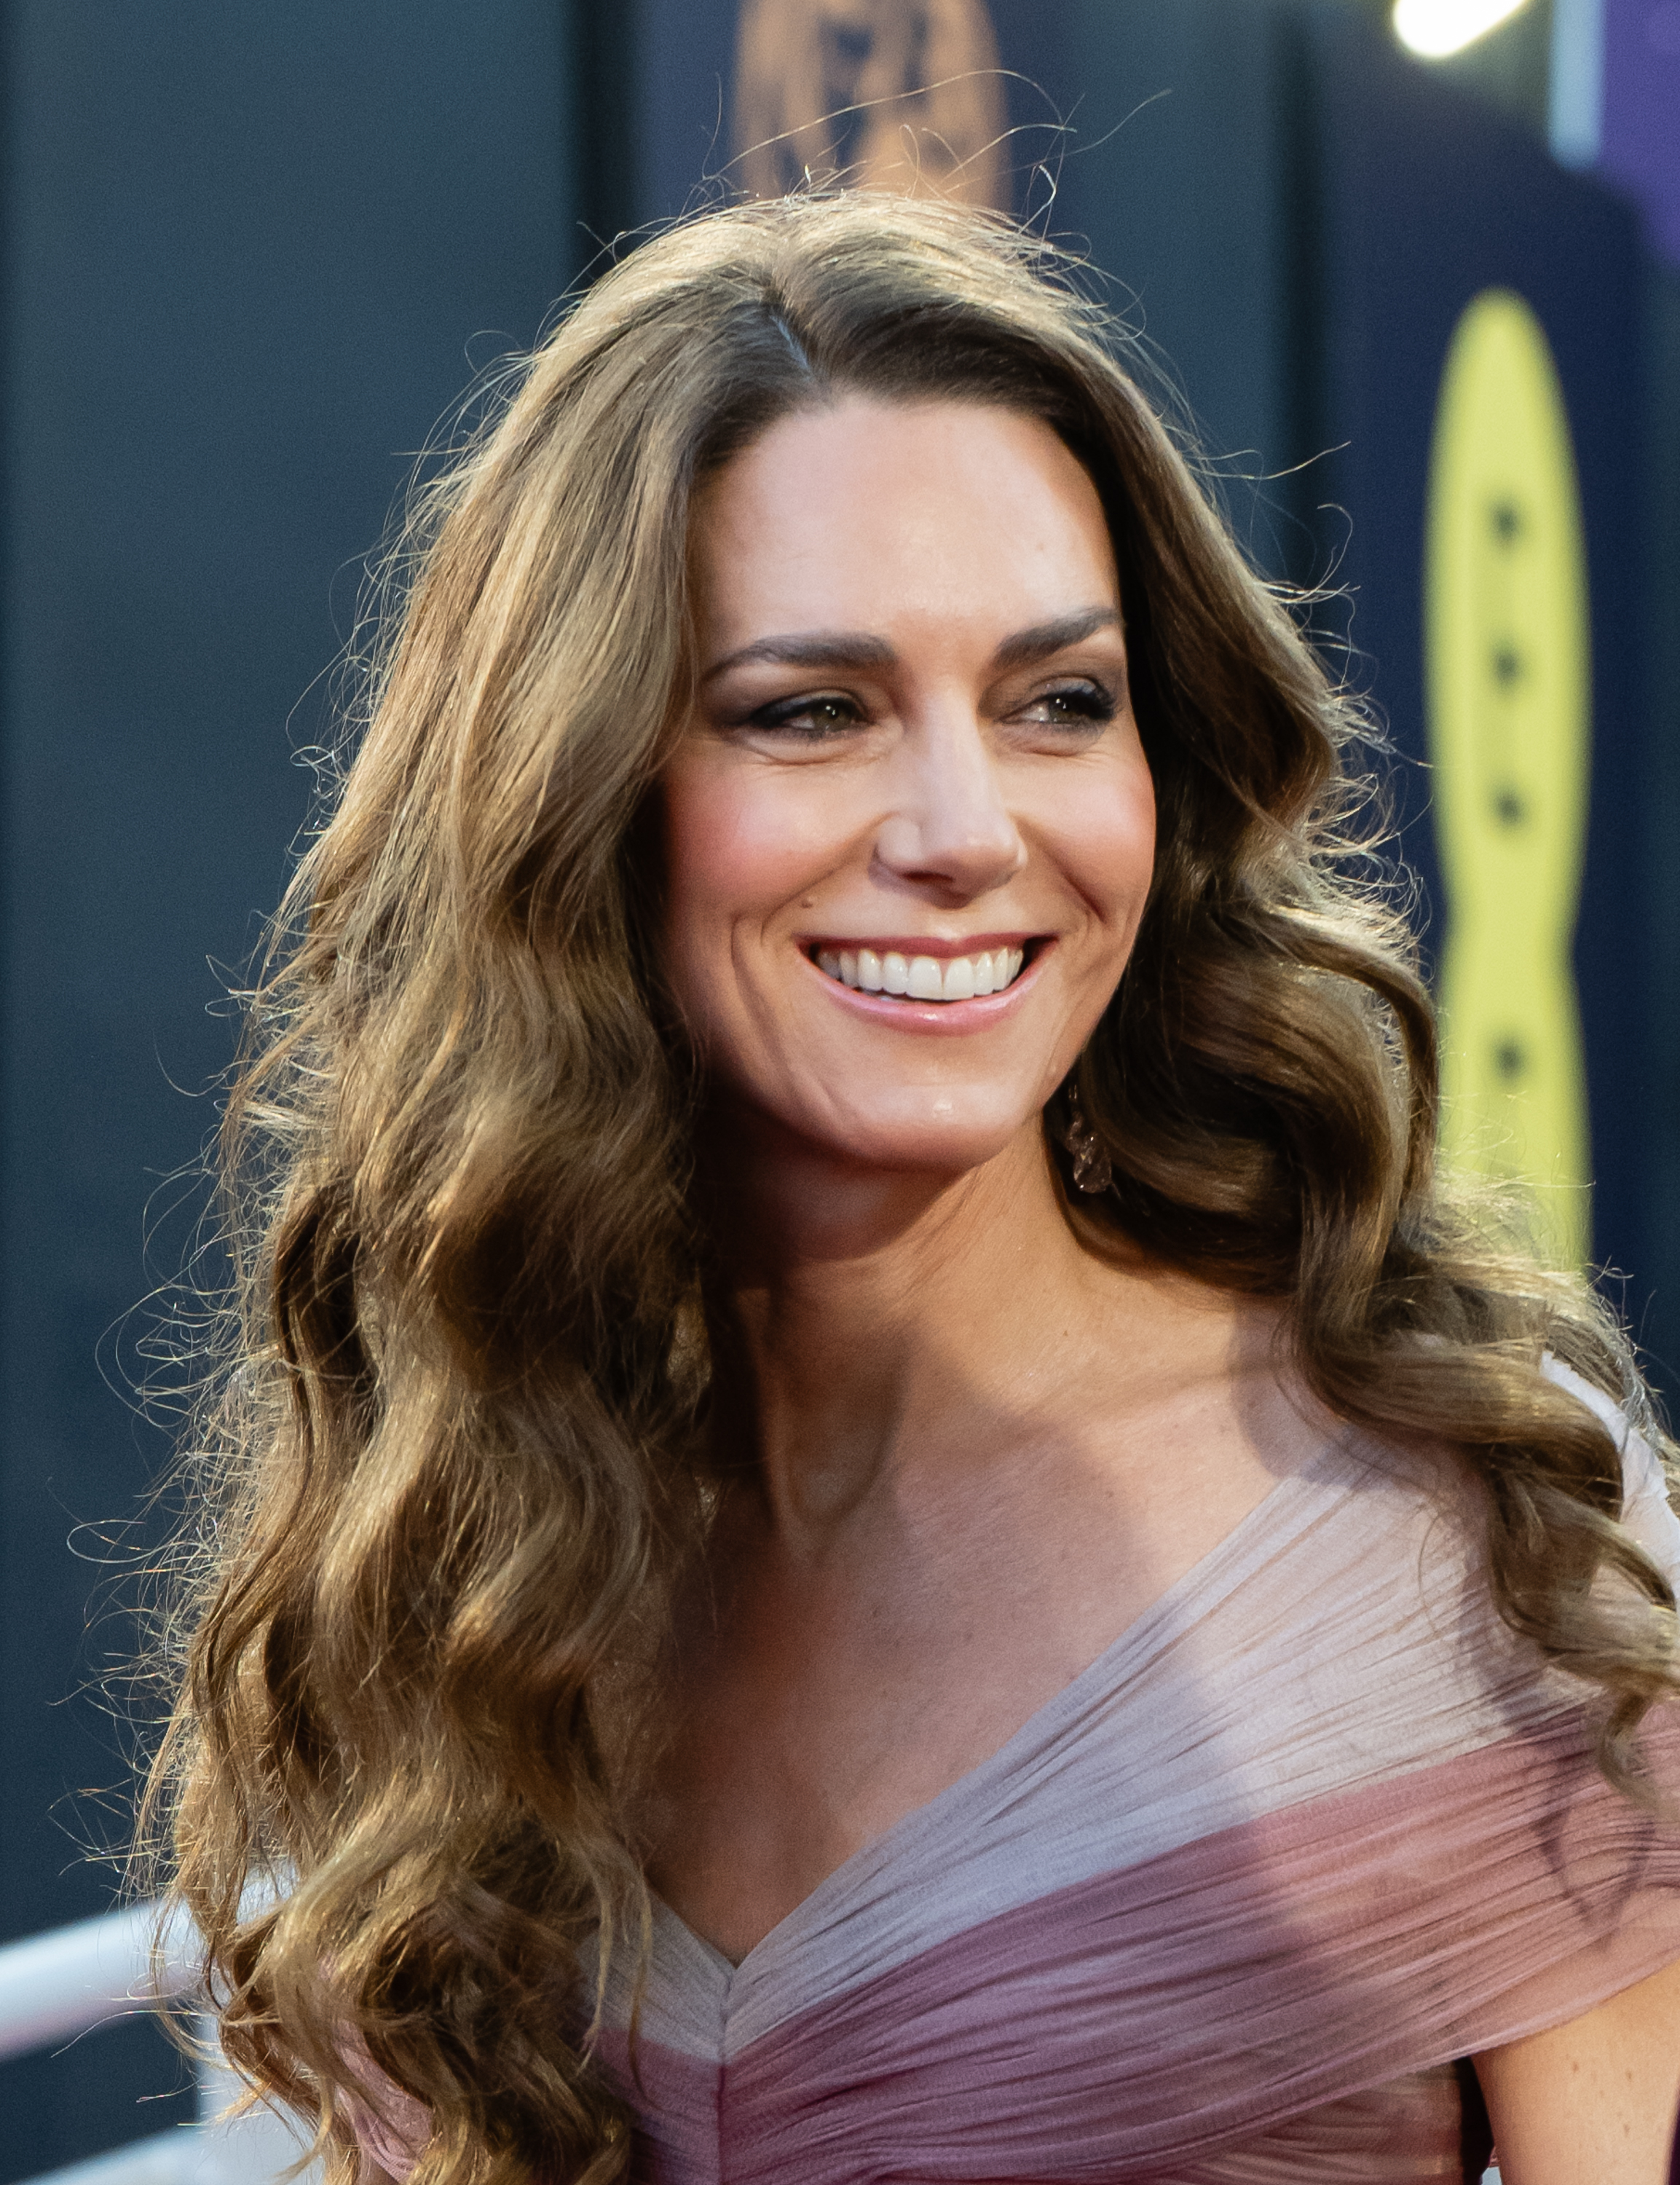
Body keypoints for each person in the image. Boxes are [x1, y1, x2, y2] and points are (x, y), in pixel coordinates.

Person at [143, 190, 1680, 2185]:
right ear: (576, 795)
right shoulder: (458, 1546)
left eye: (1060, 702)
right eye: (811, 711)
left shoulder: (1455, 1520)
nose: (966, 831)